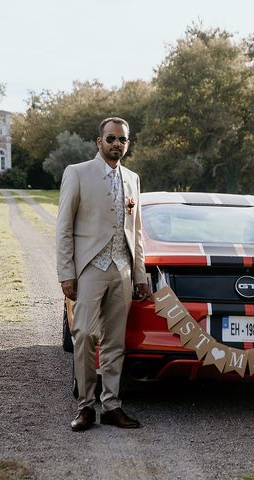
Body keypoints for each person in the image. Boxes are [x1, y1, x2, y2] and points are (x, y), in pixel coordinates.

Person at [56, 117, 151, 431]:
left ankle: (111, 406)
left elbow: (136, 232)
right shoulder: (78, 173)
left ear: (127, 144)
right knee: (83, 334)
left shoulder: (133, 179)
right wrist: (66, 273)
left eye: (122, 140)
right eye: (111, 138)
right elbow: (64, 228)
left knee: (115, 342)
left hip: (122, 270)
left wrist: (139, 276)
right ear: (99, 142)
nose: (116, 144)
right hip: (90, 268)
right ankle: (85, 407)